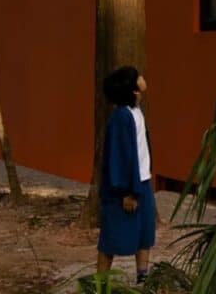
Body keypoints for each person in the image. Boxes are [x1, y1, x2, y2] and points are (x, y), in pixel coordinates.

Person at [96, 66, 156, 284]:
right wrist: (127, 192)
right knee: (112, 236)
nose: (142, 78)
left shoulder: (136, 111)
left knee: (144, 232)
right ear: (133, 90)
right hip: (125, 188)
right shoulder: (121, 117)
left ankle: (143, 277)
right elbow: (119, 156)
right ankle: (100, 283)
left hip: (142, 181)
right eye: (138, 77)